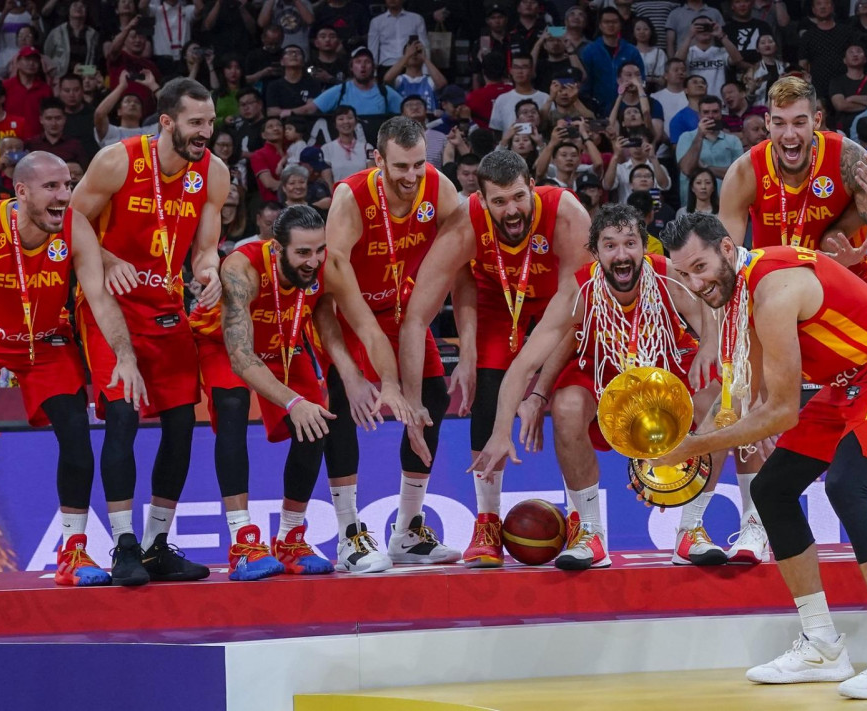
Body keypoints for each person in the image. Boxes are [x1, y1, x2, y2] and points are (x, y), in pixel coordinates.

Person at [658, 213, 867, 699]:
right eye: (682, 275)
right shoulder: (741, 290)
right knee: (770, 489)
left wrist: (693, 447)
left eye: (699, 267)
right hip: (848, 381)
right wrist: (739, 424)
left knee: (846, 486)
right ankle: (823, 646)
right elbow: (752, 392)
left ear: (726, 249)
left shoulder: (773, 290)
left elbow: (783, 412)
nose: (694, 283)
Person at [715, 75, 867, 563]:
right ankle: (753, 524)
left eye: (799, 123)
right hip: (772, 301)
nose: (789, 134)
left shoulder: (848, 158)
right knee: (747, 396)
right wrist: (727, 346)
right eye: (779, 123)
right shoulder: (744, 173)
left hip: (846, 298)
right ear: (766, 125)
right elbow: (723, 274)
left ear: (817, 123)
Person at [0, 152, 145, 593]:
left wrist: (125, 356)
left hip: (45, 340)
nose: (65, 196)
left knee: (75, 430)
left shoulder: (73, 226)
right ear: (21, 191)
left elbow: (100, 300)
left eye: (68, 185)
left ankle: (74, 549)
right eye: (52, 187)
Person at [469, 203, 718, 570]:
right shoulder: (579, 289)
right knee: (567, 405)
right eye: (610, 245)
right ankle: (590, 532)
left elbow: (714, 315)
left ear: (644, 247)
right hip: (604, 374)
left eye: (630, 243)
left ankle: (691, 529)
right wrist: (501, 430)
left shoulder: (667, 275)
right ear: (596, 252)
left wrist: (709, 345)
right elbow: (524, 364)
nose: (621, 254)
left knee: (718, 397)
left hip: (666, 367)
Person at [398, 151, 590, 568]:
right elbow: (416, 317)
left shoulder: (567, 214)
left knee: (568, 397)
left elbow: (575, 308)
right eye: (499, 201)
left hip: (562, 305)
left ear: (533, 186)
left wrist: (538, 391)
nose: (512, 209)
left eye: (519, 197)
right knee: (487, 391)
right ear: (482, 201)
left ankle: (582, 523)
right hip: (498, 302)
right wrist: (416, 400)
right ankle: (486, 520)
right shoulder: (467, 221)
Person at [70, 78, 227, 587]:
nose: (206, 132)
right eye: (195, 123)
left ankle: (158, 544)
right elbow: (67, 221)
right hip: (109, 305)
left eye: (210, 123)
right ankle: (123, 545)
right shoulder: (118, 161)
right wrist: (108, 258)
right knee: (123, 417)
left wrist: (210, 273)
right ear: (166, 122)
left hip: (164, 308)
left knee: (182, 424)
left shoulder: (214, 173)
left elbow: (205, 248)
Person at [190, 205, 369, 579]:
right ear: (276, 248)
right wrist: (292, 400)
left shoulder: (325, 268)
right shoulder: (242, 268)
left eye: (318, 249)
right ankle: (243, 541)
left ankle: (289, 540)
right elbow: (240, 358)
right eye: (302, 252)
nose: (313, 260)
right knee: (233, 406)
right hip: (226, 346)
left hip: (284, 344)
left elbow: (361, 323)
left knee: (316, 422)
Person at [321, 116, 462, 573]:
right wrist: (378, 378)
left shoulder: (438, 189)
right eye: (400, 166)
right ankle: (348, 536)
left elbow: (460, 263)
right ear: (377, 158)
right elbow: (333, 282)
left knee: (432, 403)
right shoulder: (350, 198)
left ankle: (407, 530)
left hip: (407, 315)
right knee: (344, 406)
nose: (411, 176)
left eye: (419, 164)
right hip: (352, 313)